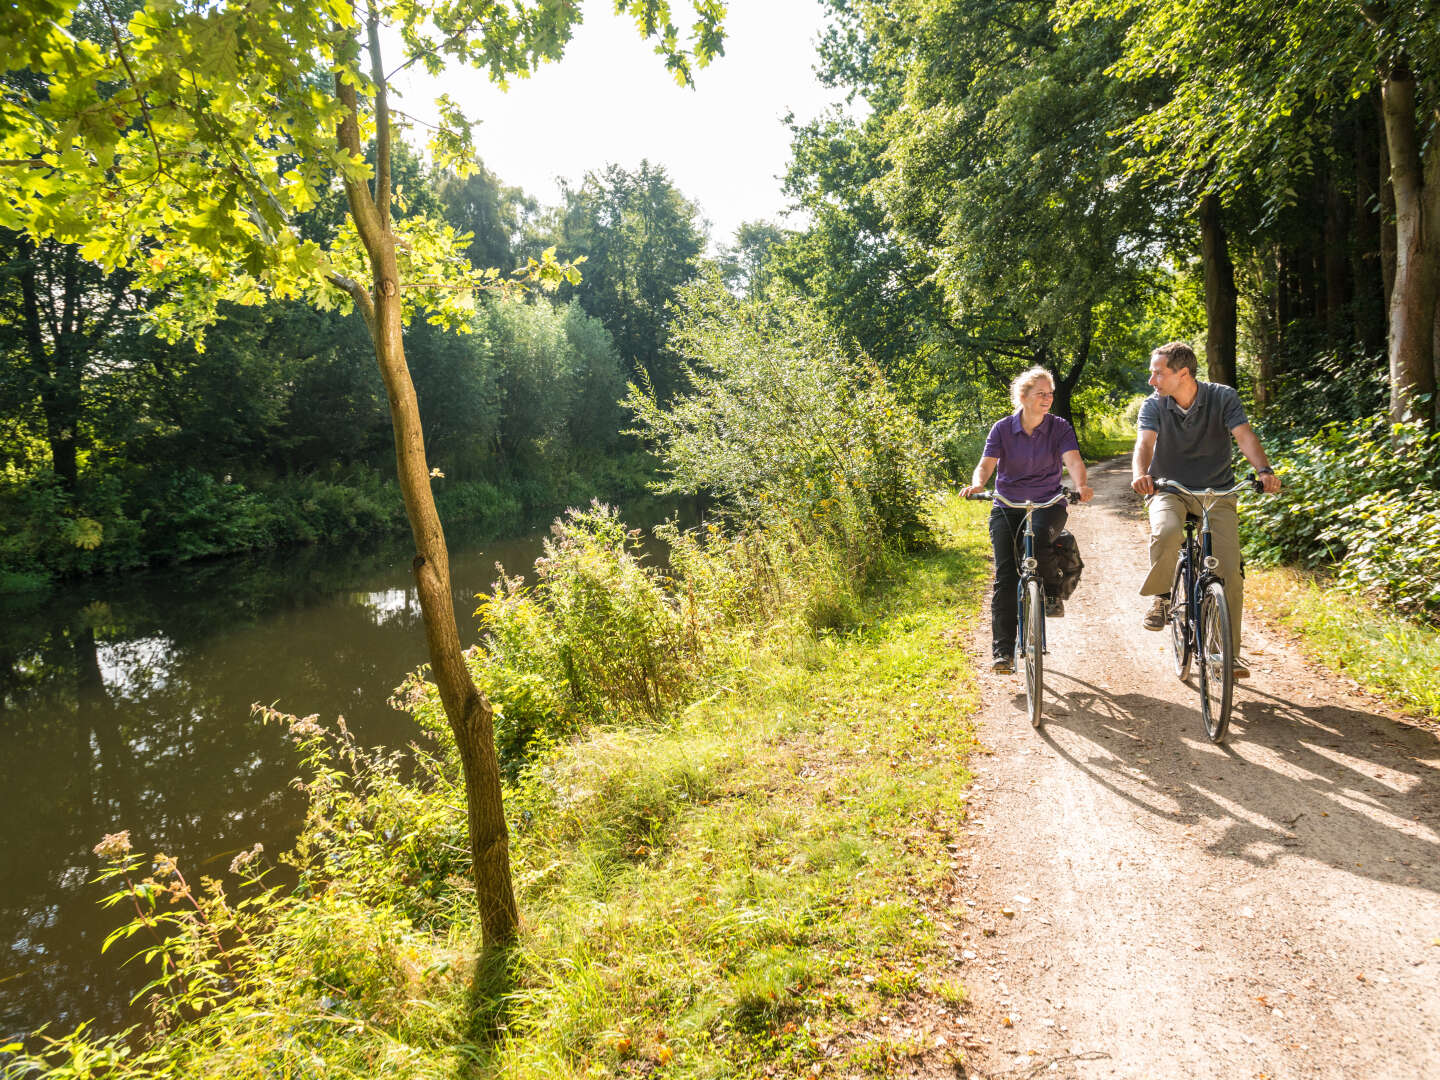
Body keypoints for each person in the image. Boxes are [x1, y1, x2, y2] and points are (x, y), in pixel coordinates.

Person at [1130, 342, 1282, 678]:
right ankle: (1163, 596)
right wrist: (1141, 475)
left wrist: (1264, 472)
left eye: (1158, 372)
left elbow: (1243, 435)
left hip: (1217, 492)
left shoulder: (1222, 397)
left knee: (1229, 573)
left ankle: (1227, 655)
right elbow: (1145, 443)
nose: (1152, 380)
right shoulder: (1154, 404)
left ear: (1182, 374)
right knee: (1168, 532)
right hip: (1169, 488)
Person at [962, 366, 1094, 674]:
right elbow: (986, 464)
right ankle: (1003, 653)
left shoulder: (1059, 427)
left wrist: (1082, 485)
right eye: (1041, 394)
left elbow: (1073, 460)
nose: (1048, 399)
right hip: (1007, 504)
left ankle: (1050, 590)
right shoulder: (1003, 429)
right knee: (1006, 576)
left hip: (1048, 502)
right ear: (1023, 397)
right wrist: (979, 484)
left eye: (1050, 394)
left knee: (1036, 540)